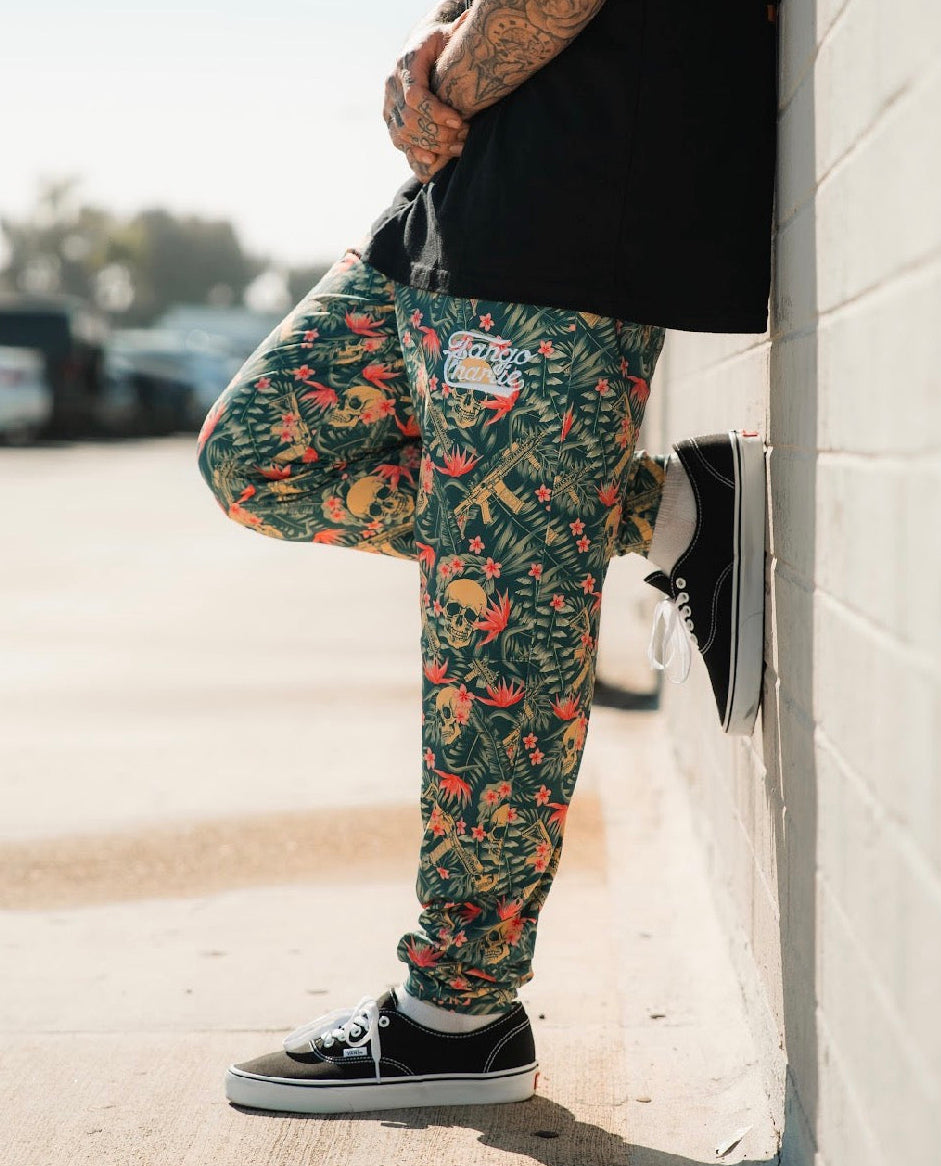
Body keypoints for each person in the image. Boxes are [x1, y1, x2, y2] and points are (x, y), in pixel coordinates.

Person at [198, 0, 778, 1114]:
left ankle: (455, 1012)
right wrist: (424, 62)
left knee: (499, 619)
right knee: (257, 453)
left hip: (570, 204)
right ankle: (675, 515)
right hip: (462, 205)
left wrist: (447, 88)